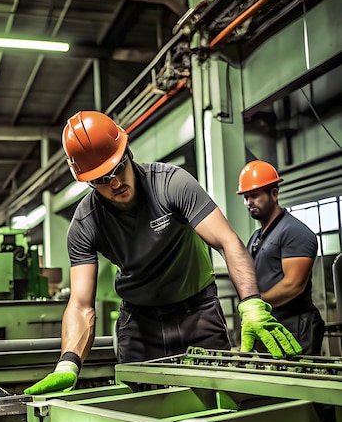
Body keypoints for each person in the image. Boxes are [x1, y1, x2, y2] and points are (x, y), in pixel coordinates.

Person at [24, 111, 301, 395]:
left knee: (222, 399)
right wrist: (68, 363)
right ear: (87, 181)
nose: (116, 183)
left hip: (198, 313)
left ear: (127, 152)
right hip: (140, 325)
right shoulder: (86, 222)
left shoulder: (171, 184)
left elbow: (228, 242)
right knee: (141, 410)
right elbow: (82, 304)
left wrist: (252, 303)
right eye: (102, 179)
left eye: (119, 168)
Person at [237, 160, 324, 354]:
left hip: (295, 328)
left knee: (298, 383)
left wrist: (256, 304)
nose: (248, 202)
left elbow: (293, 285)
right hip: (270, 325)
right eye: (245, 197)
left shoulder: (294, 232)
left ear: (274, 194)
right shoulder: (256, 237)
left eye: (254, 196)